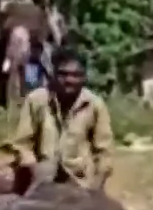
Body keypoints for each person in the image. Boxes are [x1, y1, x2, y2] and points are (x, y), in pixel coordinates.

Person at [7, 47, 114, 190]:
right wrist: (34, 170)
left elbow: (104, 151)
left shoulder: (94, 104)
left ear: (84, 77)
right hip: (39, 179)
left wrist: (96, 188)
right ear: (53, 74)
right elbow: (22, 144)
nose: (69, 80)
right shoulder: (37, 100)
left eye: (76, 75)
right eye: (63, 74)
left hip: (79, 181)